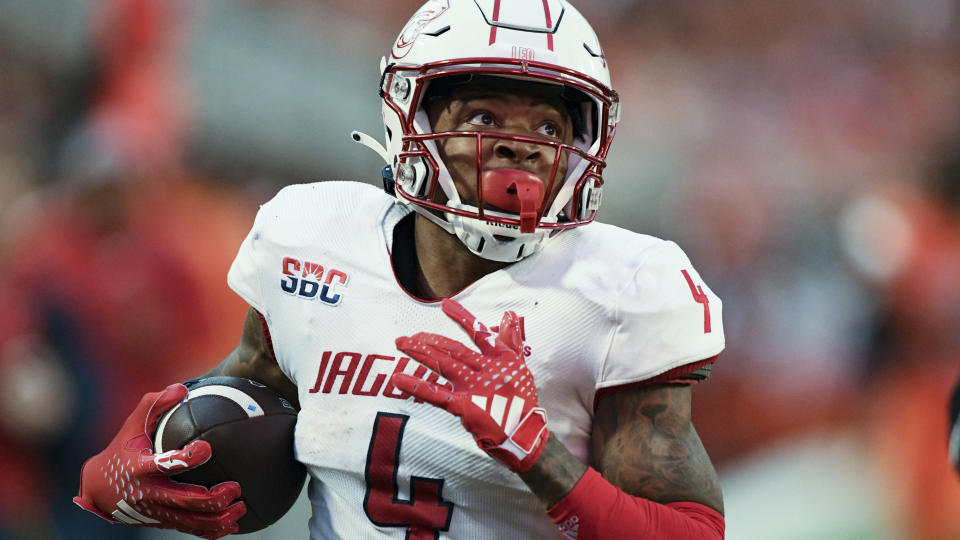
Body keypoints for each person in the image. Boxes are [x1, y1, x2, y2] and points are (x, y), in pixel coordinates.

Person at [73, 1, 727, 538]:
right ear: (410, 116)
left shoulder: (617, 290)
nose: (517, 143)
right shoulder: (315, 238)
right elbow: (253, 390)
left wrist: (539, 455)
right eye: (484, 115)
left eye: (549, 125)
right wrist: (126, 470)